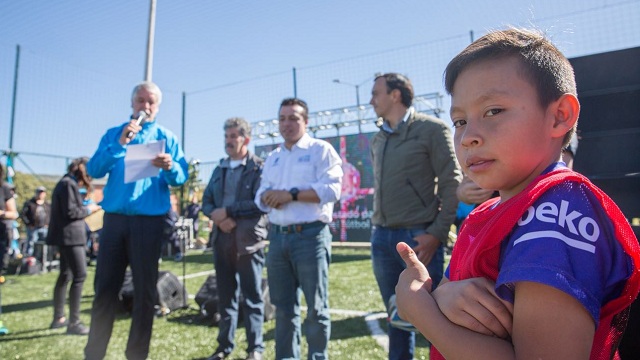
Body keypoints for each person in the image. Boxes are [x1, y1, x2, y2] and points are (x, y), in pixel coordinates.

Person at [394, 28, 640, 359]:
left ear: (559, 116)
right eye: (460, 121)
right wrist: (442, 296)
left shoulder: (557, 209)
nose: (468, 137)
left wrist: (420, 310)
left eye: (493, 111)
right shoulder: (489, 211)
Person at [84, 81, 189, 360]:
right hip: (115, 221)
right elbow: (94, 169)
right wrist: (119, 144)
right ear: (132, 103)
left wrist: (170, 167)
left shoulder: (167, 137)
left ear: (158, 106)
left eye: (151, 102)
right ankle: (94, 353)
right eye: (141, 100)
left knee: (145, 294)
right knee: (105, 290)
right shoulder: (114, 134)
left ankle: (137, 355)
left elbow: (181, 177)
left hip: (149, 224)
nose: (145, 106)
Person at [368, 73, 461, 359]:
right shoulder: (378, 138)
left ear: (395, 95)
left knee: (435, 323)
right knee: (397, 320)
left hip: (419, 238)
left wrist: (437, 233)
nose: (371, 100)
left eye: (376, 93)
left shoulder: (432, 129)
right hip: (381, 238)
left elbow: (451, 183)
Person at [255, 98, 342, 360]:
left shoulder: (321, 150)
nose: (286, 124)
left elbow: (333, 190)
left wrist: (289, 195)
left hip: (311, 236)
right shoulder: (273, 157)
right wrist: (268, 197)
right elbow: (260, 196)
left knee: (316, 308)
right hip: (278, 239)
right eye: (282, 119)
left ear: (306, 121)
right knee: (283, 309)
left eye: (293, 118)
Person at [202, 117, 268, 360]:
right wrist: (219, 219)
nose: (228, 142)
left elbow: (261, 203)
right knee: (226, 298)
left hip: (249, 242)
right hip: (222, 241)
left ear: (246, 139)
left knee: (252, 298)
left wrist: (229, 213)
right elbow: (207, 202)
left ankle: (255, 349)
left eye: (233, 137)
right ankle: (224, 348)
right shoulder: (219, 169)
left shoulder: (258, 168)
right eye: (226, 137)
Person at [47, 157, 101, 335]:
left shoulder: (64, 183)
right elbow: (71, 212)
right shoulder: (68, 184)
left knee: (66, 275)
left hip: (67, 236)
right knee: (79, 275)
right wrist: (89, 209)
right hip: (71, 237)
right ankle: (74, 323)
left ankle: (59, 318)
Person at [20, 186, 51, 256]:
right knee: (31, 244)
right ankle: (30, 260)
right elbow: (23, 214)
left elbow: (51, 215)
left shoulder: (47, 204)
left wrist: (49, 224)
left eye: (42, 193)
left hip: (44, 228)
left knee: (44, 245)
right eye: (39, 192)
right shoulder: (29, 203)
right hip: (33, 228)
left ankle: (41, 259)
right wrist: (28, 224)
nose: (40, 194)